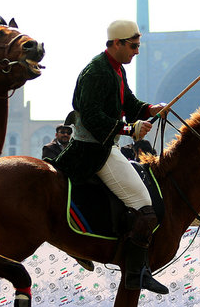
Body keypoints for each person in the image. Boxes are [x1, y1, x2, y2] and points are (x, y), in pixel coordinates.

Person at [51, 19, 168, 294]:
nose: (137, 52)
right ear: (117, 43)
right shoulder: (95, 72)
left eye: (138, 46)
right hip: (94, 151)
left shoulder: (116, 70)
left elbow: (129, 102)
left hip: (106, 147)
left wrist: (150, 109)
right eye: (133, 46)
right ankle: (136, 274)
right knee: (144, 207)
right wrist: (129, 129)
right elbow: (92, 118)